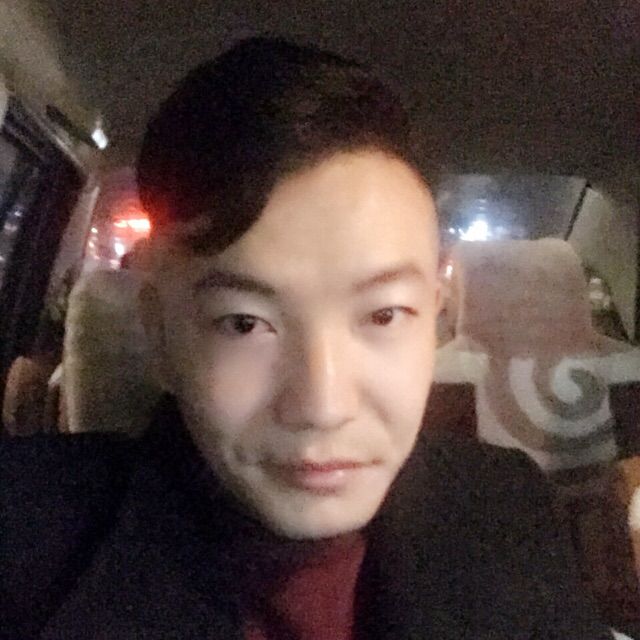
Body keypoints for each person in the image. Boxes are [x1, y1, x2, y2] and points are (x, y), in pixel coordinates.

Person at [0, 37, 622, 639]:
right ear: (160, 337)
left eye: (384, 316)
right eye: (245, 324)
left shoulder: (505, 506)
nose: (323, 406)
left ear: (434, 321)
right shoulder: (27, 533)